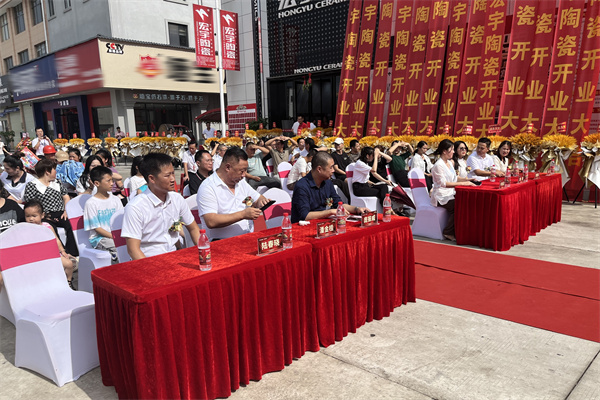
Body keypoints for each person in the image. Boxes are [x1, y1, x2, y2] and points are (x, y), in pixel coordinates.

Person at [121, 153, 200, 259]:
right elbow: (133, 250)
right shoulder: (135, 207)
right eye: (167, 175)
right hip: (149, 260)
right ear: (152, 179)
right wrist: (152, 268)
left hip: (174, 256)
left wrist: (203, 252)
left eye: (173, 173)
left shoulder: (177, 199)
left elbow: (194, 228)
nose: (173, 179)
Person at [197, 147, 270, 240]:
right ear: (228, 167)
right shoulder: (208, 187)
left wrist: (262, 201)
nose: (244, 175)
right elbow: (211, 221)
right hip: (221, 241)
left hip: (247, 237)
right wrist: (243, 215)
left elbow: (257, 198)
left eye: (245, 171)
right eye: (241, 171)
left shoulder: (241, 182)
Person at [291, 151, 369, 223]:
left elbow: (338, 204)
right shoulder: (302, 186)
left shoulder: (327, 182)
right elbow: (305, 216)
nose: (333, 170)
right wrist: (330, 212)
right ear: (319, 169)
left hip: (322, 223)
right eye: (331, 167)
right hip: (303, 226)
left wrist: (357, 209)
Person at [23, 159, 79, 256]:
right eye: (54, 169)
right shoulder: (32, 185)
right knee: (51, 229)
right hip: (44, 215)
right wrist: (43, 215)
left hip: (60, 213)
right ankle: (62, 253)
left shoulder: (57, 182)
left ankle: (72, 253)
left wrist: (66, 211)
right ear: (47, 172)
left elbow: (66, 197)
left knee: (71, 225)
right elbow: (31, 203)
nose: (56, 172)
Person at [430, 139, 477, 241]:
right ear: (444, 151)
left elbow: (455, 178)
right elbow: (444, 184)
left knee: (467, 201)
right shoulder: (438, 165)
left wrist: (467, 180)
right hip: (441, 196)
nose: (453, 152)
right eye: (451, 150)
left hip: (450, 193)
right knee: (458, 206)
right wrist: (463, 183)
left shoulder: (449, 162)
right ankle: (448, 231)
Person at [24, 199, 76, 289]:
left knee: (69, 264)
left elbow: (56, 240)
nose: (31, 219)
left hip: (52, 254)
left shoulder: (47, 227)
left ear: (42, 215)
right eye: (28, 216)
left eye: (34, 216)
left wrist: (63, 251)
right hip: (37, 258)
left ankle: (68, 282)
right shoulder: (25, 230)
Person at [83, 166, 123, 262]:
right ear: (97, 183)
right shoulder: (91, 203)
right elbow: (97, 228)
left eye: (112, 180)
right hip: (99, 239)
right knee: (118, 247)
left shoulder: (116, 199)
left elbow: (121, 219)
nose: (112, 183)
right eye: (108, 181)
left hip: (116, 235)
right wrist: (114, 237)